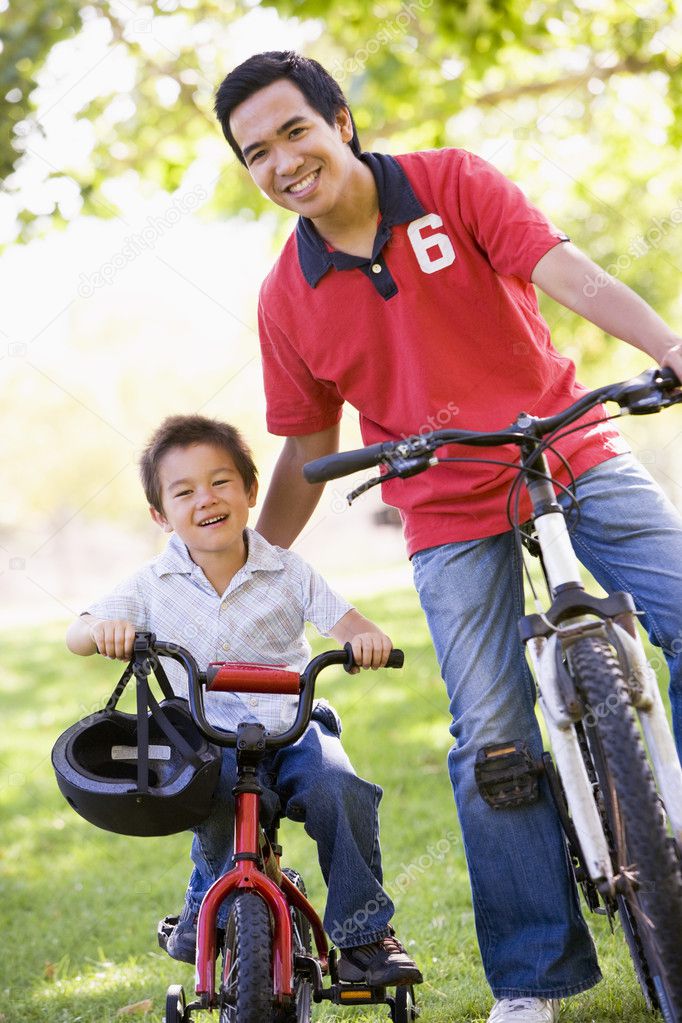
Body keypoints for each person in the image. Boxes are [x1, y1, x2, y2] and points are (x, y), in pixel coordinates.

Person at [212, 50, 682, 1023]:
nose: (282, 162)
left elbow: (566, 273)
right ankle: (530, 981)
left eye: (293, 130)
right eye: (255, 153)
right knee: (491, 739)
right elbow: (307, 442)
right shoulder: (283, 299)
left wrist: (666, 345)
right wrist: (244, 569)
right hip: (442, 502)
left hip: (570, 446)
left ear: (340, 121)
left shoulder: (451, 182)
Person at [65, 414, 422, 986]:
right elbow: (77, 632)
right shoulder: (150, 584)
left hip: (293, 726)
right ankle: (202, 912)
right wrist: (100, 632)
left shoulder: (287, 569)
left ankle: (364, 938)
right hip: (208, 737)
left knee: (341, 790)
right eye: (184, 492)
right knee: (216, 804)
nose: (206, 499)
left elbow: (348, 622)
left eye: (221, 482)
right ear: (161, 515)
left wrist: (364, 640)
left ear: (251, 491)